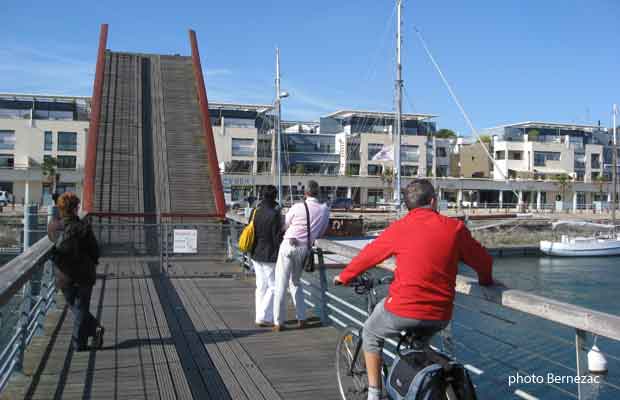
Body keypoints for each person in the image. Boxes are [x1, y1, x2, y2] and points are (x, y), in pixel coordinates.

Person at [334, 179, 494, 400]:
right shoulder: (454, 228)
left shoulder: (400, 228)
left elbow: (369, 255)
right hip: (440, 315)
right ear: (434, 201)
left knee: (370, 333)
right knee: (418, 346)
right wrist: (485, 281)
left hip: (403, 310)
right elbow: (484, 261)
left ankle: (374, 393)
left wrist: (344, 276)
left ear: (408, 206)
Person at [273, 180, 330, 332]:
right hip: (304, 248)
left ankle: (279, 322)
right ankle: (302, 318)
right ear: (318, 193)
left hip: (288, 244)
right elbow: (322, 231)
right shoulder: (324, 210)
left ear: (305, 193)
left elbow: (285, 224)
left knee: (281, 283)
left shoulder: (298, 206)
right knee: (296, 282)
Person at [51, 193, 104, 352]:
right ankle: (80, 343)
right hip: (84, 275)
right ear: (75, 208)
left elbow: (53, 243)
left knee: (75, 306)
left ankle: (92, 331)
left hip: (64, 275)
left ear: (60, 208)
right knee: (81, 307)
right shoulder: (83, 227)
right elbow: (95, 251)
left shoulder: (53, 226)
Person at [250, 186, 282, 327]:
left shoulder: (255, 211)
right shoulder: (274, 214)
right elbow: (276, 238)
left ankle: (260, 316)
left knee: (261, 286)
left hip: (256, 251)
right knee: (274, 286)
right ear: (274, 197)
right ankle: (263, 315)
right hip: (269, 254)